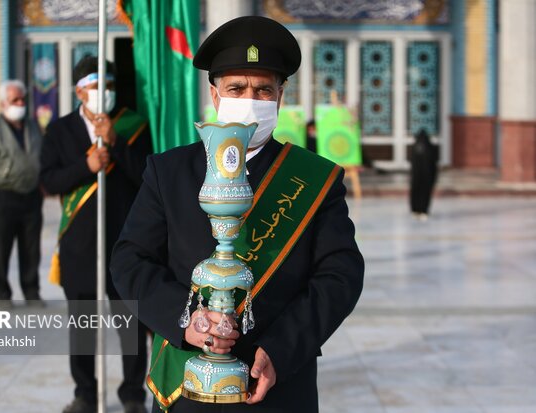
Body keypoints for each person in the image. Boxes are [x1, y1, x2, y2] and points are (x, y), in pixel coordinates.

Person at [110, 16, 365, 413]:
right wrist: (185, 321)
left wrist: (281, 349)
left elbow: (341, 274)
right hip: (187, 380)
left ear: (281, 97)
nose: (251, 99)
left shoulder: (315, 178)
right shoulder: (168, 171)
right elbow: (129, 259)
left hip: (278, 384)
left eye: (264, 89)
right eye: (237, 88)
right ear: (215, 96)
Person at [40, 56, 152, 413]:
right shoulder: (59, 130)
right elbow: (48, 180)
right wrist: (85, 167)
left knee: (130, 324)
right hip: (80, 244)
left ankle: (133, 393)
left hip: (124, 242)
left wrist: (116, 143)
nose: (102, 93)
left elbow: (148, 178)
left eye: (108, 86)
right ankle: (85, 394)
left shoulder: (132, 126)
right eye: (94, 86)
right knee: (84, 325)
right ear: (78, 90)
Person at [0, 79, 44, 308]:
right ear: (3, 103)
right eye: (15, 100)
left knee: (31, 249)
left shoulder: (33, 127)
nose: (20, 103)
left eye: (23, 98)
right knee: (1, 249)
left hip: (32, 197)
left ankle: (31, 291)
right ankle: (2, 293)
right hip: (4, 198)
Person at [410, 129, 438, 220]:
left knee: (416, 192)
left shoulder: (415, 148)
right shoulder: (430, 147)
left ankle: (415, 209)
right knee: (424, 194)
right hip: (426, 177)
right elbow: (434, 164)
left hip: (416, 177)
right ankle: (423, 210)